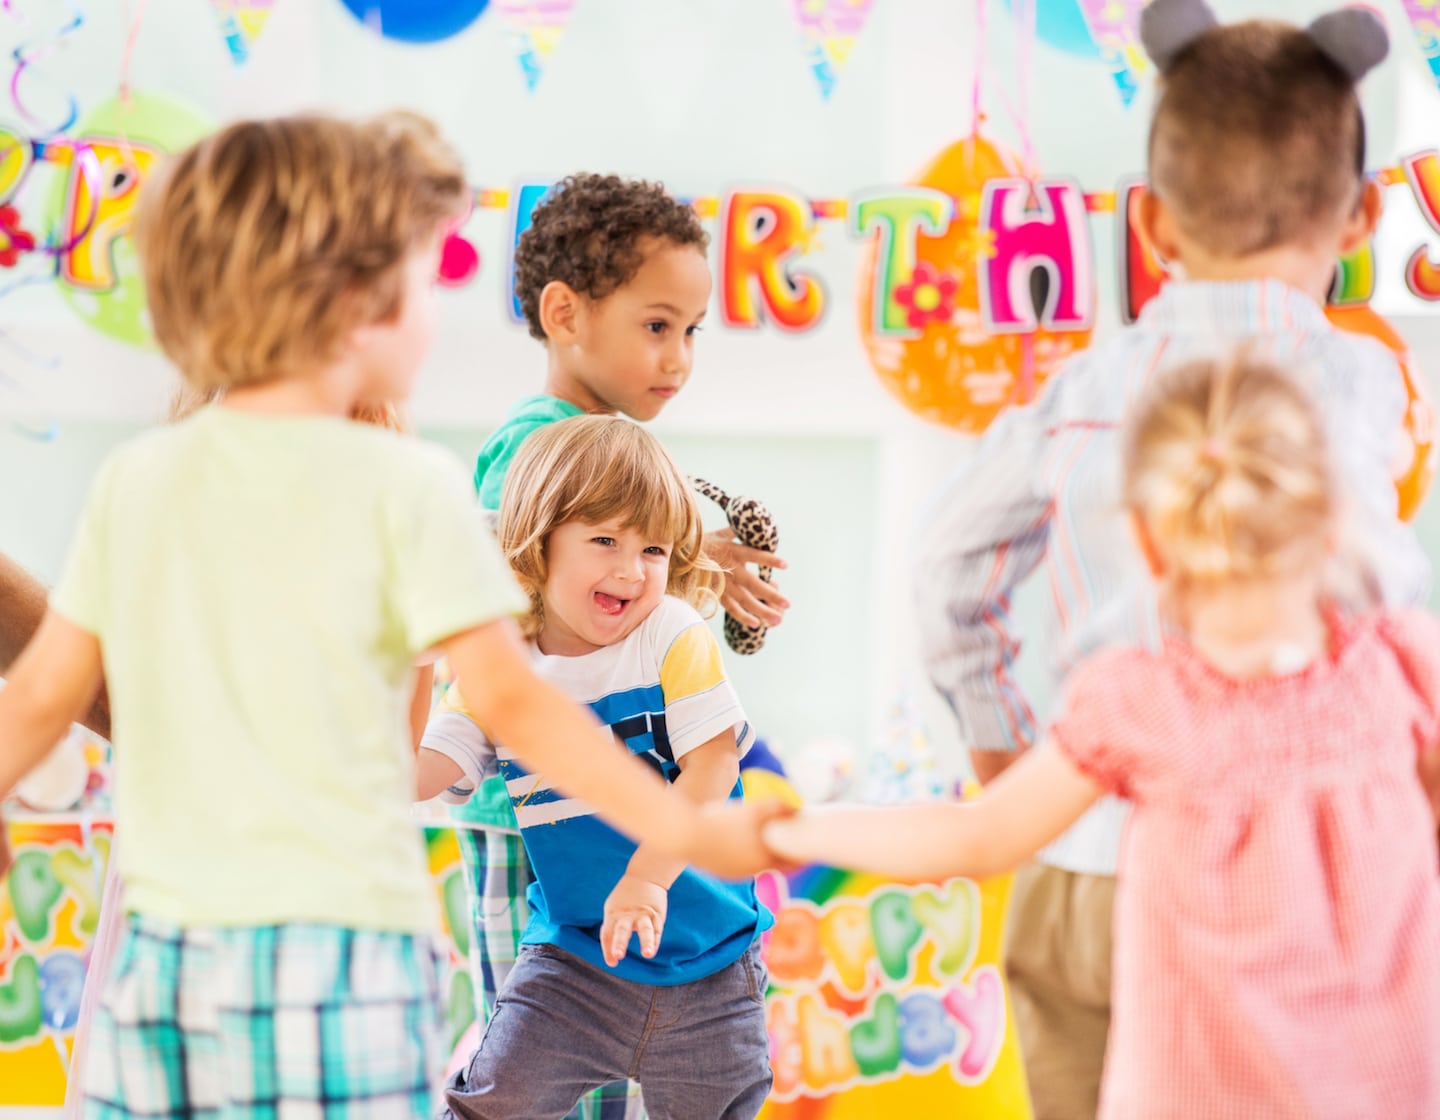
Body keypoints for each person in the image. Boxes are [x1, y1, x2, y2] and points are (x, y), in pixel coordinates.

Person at [0, 112, 776, 1119]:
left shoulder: (141, 479)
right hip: (344, 947)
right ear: (347, 300)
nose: (430, 316)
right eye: (419, 285)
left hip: (170, 942)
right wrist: (672, 818)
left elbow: (42, 696)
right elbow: (516, 700)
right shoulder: (408, 488)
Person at [909, 3, 1428, 1115]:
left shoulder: (1081, 391)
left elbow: (948, 566)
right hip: (1282, 868)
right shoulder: (1358, 391)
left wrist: (1004, 743)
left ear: (1149, 226)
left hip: (1083, 854)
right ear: (1361, 218)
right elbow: (1382, 609)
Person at [769, 352, 1440, 1118]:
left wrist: (790, 830)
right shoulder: (1407, 666)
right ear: (1332, 527)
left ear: (1150, 551)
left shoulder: (1138, 700)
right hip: (1384, 1091)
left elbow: (980, 836)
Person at [456, 172, 789, 1119]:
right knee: (544, 1030)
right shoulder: (540, 442)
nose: (679, 357)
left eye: (692, 330)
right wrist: (695, 557)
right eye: (656, 325)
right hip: (531, 807)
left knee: (617, 1032)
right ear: (565, 313)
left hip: (606, 796)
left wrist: (699, 567)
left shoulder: (610, 448)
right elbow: (499, 558)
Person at [421, 414, 773, 1120]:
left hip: (709, 965)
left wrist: (645, 878)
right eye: (604, 539)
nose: (631, 569)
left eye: (653, 549)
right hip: (574, 966)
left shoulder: (671, 632)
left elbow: (709, 773)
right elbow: (426, 772)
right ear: (539, 541)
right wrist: (409, 664)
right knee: (491, 1103)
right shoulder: (501, 662)